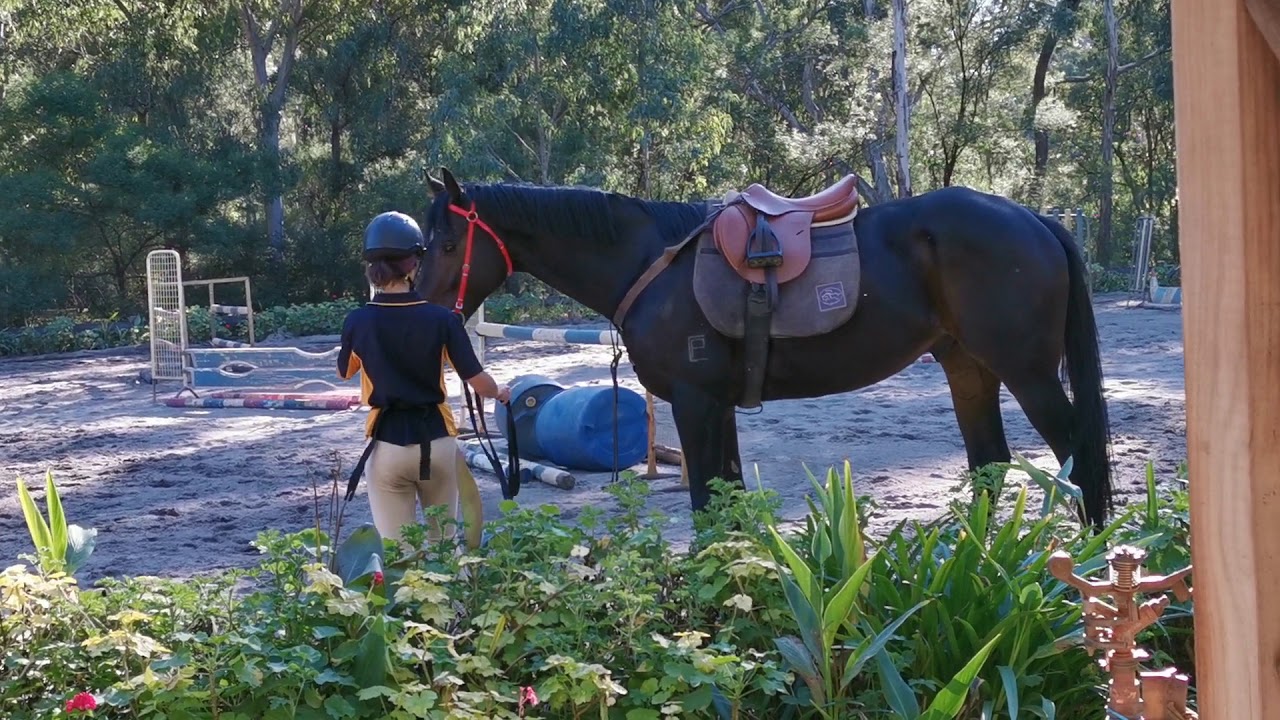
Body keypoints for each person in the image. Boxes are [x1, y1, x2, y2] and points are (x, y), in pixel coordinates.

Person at [337, 210, 510, 544]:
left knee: (397, 553)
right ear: (415, 264)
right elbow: (479, 382)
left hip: (387, 444)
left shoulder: (358, 321)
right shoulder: (442, 319)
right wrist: (502, 391)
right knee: (442, 548)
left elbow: (344, 371)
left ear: (370, 267)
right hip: (437, 441)